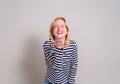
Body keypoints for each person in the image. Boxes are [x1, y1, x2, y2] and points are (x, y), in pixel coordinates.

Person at [43, 17, 78, 84]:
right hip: (50, 81)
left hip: (66, 81)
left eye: (62, 26)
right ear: (52, 31)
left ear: (67, 31)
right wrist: (59, 47)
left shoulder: (73, 45)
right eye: (56, 26)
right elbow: (57, 67)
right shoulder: (47, 45)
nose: (59, 28)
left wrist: (70, 82)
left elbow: (73, 65)